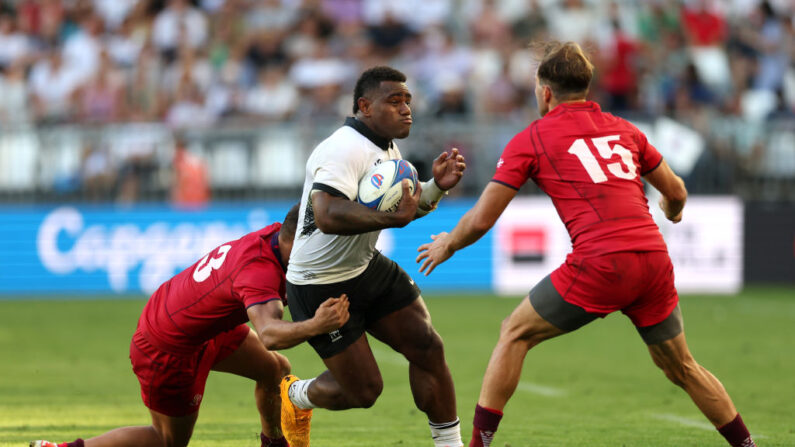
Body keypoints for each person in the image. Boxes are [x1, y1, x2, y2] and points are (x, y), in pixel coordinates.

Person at [416, 42, 756, 447]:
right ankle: (746, 444)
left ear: (545, 92)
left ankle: (477, 445)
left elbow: (482, 218)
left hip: (602, 261)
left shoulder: (533, 138)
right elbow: (677, 190)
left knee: (515, 333)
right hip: (652, 260)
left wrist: (447, 245)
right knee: (682, 365)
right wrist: (673, 209)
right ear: (587, 87)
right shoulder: (625, 129)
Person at [32, 204, 350, 447]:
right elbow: (269, 335)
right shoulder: (260, 273)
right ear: (295, 243)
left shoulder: (277, 236)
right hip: (167, 345)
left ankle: (274, 443)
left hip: (200, 324)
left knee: (274, 370)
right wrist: (317, 323)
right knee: (167, 440)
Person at [279, 66, 467, 447]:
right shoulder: (342, 148)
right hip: (320, 284)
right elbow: (328, 214)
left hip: (364, 267)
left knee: (428, 346)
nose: (405, 109)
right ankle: (295, 394)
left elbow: (398, 210)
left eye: (408, 101)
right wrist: (391, 219)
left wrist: (433, 189)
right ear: (364, 106)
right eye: (393, 101)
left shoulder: (387, 149)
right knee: (364, 392)